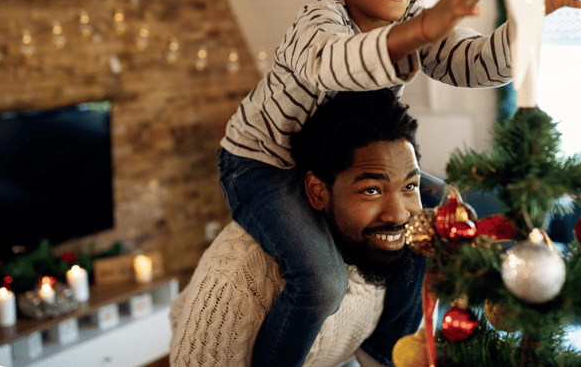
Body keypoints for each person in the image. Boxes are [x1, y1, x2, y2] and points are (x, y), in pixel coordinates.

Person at [218, 0, 581, 367]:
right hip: (264, 165)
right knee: (322, 281)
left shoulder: (411, 20)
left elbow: (479, 64)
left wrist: (527, 18)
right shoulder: (318, 26)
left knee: (438, 217)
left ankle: (384, 346)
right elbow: (339, 64)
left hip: (339, 166)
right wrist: (420, 29)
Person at [171, 90, 433, 367]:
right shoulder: (243, 276)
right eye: (371, 190)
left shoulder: (389, 251)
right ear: (318, 192)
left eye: (409, 186)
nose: (398, 214)